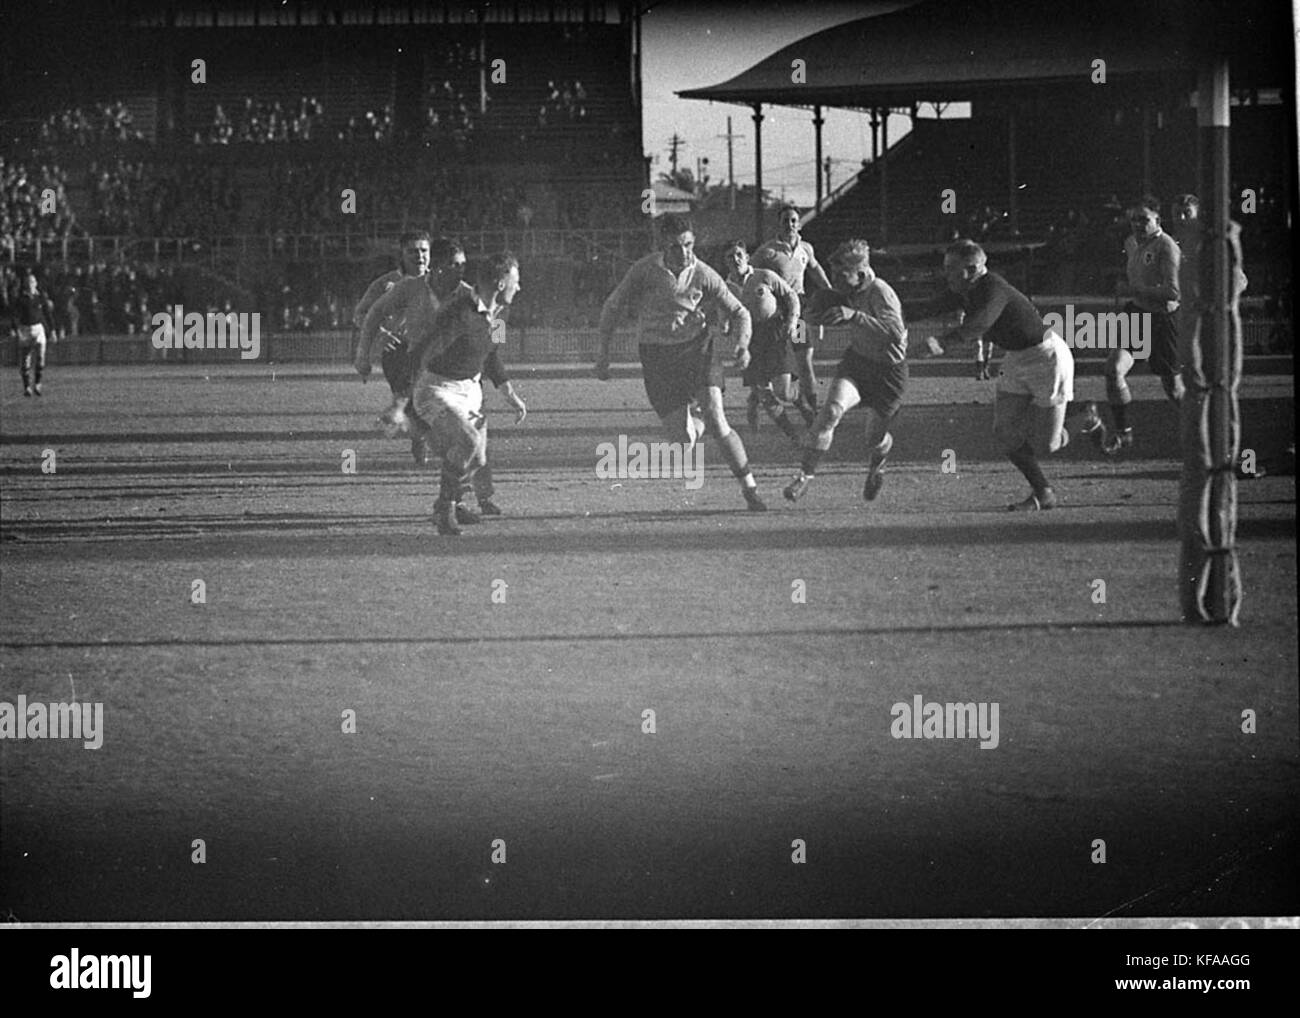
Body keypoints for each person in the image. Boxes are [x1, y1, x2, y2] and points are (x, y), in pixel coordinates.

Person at [594, 214, 766, 511]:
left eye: (688, 245)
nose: (684, 253)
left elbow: (740, 313)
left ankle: (750, 488)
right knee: (682, 441)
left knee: (717, 419)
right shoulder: (644, 271)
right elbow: (613, 305)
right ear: (662, 246)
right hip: (658, 357)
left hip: (697, 350)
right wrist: (603, 353)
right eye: (675, 247)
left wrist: (743, 345)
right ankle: (695, 421)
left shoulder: (704, 274)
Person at [911, 240, 1074, 510]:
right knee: (1005, 433)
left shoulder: (993, 287)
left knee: (1048, 445)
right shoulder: (964, 289)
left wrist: (942, 342)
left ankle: (1087, 419)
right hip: (1016, 358)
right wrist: (882, 307)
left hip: (1046, 358)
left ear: (973, 268)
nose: (946, 274)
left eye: (952, 268)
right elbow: (925, 308)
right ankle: (1044, 492)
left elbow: (980, 323)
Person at [360, 237, 504, 519]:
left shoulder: (469, 296)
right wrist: (363, 354)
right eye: (454, 264)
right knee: (461, 441)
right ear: (436, 267)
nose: (461, 270)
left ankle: (479, 498)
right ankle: (456, 504)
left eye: (463, 265)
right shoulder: (410, 288)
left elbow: (493, 342)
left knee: (472, 440)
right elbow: (375, 311)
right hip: (423, 376)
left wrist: (502, 382)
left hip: (462, 378)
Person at [408, 252, 527, 536]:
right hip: (437, 388)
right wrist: (405, 402)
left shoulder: (501, 313)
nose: (519, 288)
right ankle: (443, 509)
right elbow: (421, 350)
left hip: (470, 389)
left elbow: (492, 354)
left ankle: (453, 503)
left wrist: (509, 394)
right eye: (516, 281)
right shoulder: (458, 311)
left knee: (477, 459)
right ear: (500, 284)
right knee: (468, 441)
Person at [783, 239, 907, 503]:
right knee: (830, 413)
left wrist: (854, 316)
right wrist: (814, 317)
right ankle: (804, 477)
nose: (835, 282)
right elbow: (828, 310)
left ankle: (879, 459)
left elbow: (895, 334)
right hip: (858, 364)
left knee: (874, 439)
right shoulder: (849, 289)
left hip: (889, 373)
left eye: (841, 276)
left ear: (861, 274)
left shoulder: (881, 292)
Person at [1098, 195, 1183, 454]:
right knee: (1113, 370)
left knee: (1175, 390)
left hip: (1163, 320)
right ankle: (1124, 433)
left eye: (1144, 219)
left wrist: (1137, 289)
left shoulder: (1167, 246)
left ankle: (1209, 435)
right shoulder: (1131, 242)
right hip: (1137, 315)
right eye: (1133, 219)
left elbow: (1173, 292)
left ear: (1157, 219)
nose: (1137, 224)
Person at [751, 205, 833, 422]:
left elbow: (815, 269)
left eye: (794, 220)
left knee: (805, 359)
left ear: (799, 223)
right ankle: (755, 397)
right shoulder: (767, 251)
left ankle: (814, 412)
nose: (790, 225)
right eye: (786, 221)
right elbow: (748, 275)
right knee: (773, 366)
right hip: (776, 316)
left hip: (798, 312)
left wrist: (829, 291)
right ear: (778, 224)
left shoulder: (805, 248)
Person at [352, 231, 432, 437]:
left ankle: (413, 429)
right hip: (398, 350)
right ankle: (406, 421)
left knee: (425, 400)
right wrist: (380, 335)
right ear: (402, 255)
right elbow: (360, 314)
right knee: (411, 395)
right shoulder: (385, 283)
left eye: (424, 250)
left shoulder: (439, 282)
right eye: (413, 251)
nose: (419, 256)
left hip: (432, 348)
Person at [723, 240, 802, 442]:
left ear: (747, 257)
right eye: (730, 256)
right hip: (750, 338)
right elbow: (723, 311)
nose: (735, 259)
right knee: (764, 392)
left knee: (783, 392)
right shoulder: (725, 287)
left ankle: (800, 400)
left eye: (739, 254)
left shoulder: (764, 276)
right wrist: (725, 326)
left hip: (774, 332)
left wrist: (792, 323)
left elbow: (791, 296)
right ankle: (792, 435)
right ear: (725, 262)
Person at [11, 270, 56, 396]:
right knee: (26, 361)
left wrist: (52, 330)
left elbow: (47, 313)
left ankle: (37, 384)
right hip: (25, 330)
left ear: (36, 283)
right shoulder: (21, 299)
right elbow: (15, 315)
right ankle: (27, 387)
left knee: (41, 358)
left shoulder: (40, 297)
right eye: (28, 282)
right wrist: (15, 329)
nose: (31, 284)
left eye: (32, 281)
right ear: (26, 284)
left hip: (38, 329)